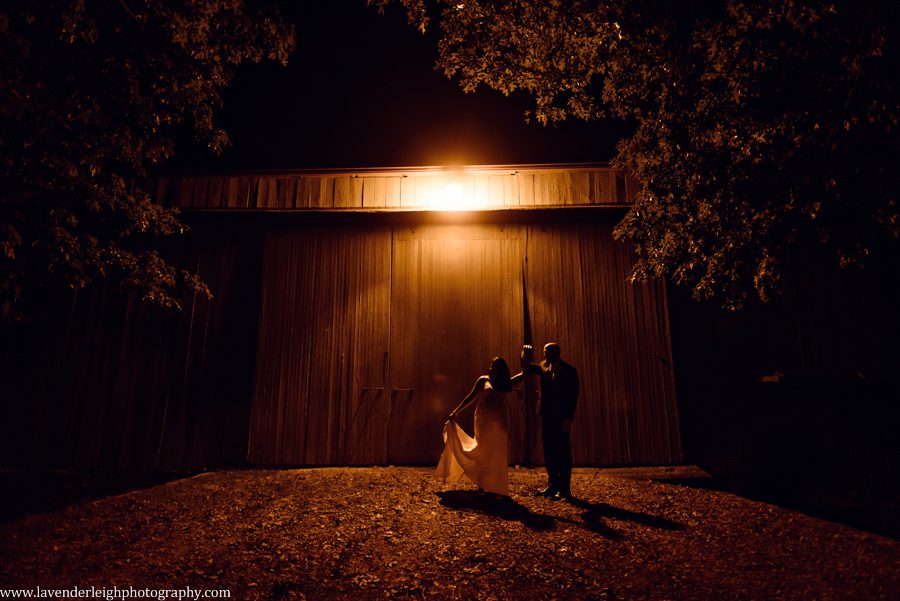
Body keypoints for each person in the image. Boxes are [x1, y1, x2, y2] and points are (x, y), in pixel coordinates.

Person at [435, 357, 523, 498]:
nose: (492, 367)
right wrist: (455, 411)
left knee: (497, 453)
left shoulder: (505, 383)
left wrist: (524, 358)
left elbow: (524, 375)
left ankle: (497, 487)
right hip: (483, 421)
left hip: (499, 422)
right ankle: (482, 485)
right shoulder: (483, 380)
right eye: (491, 365)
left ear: (501, 369)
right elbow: (470, 397)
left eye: (495, 366)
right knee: (482, 451)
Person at [522, 342, 579, 501]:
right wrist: (525, 353)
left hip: (561, 418)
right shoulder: (543, 366)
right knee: (549, 451)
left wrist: (569, 418)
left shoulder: (569, 371)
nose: (544, 355)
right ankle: (553, 484)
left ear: (556, 353)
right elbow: (526, 368)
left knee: (562, 452)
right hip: (546, 416)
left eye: (546, 352)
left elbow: (573, 396)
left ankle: (564, 490)